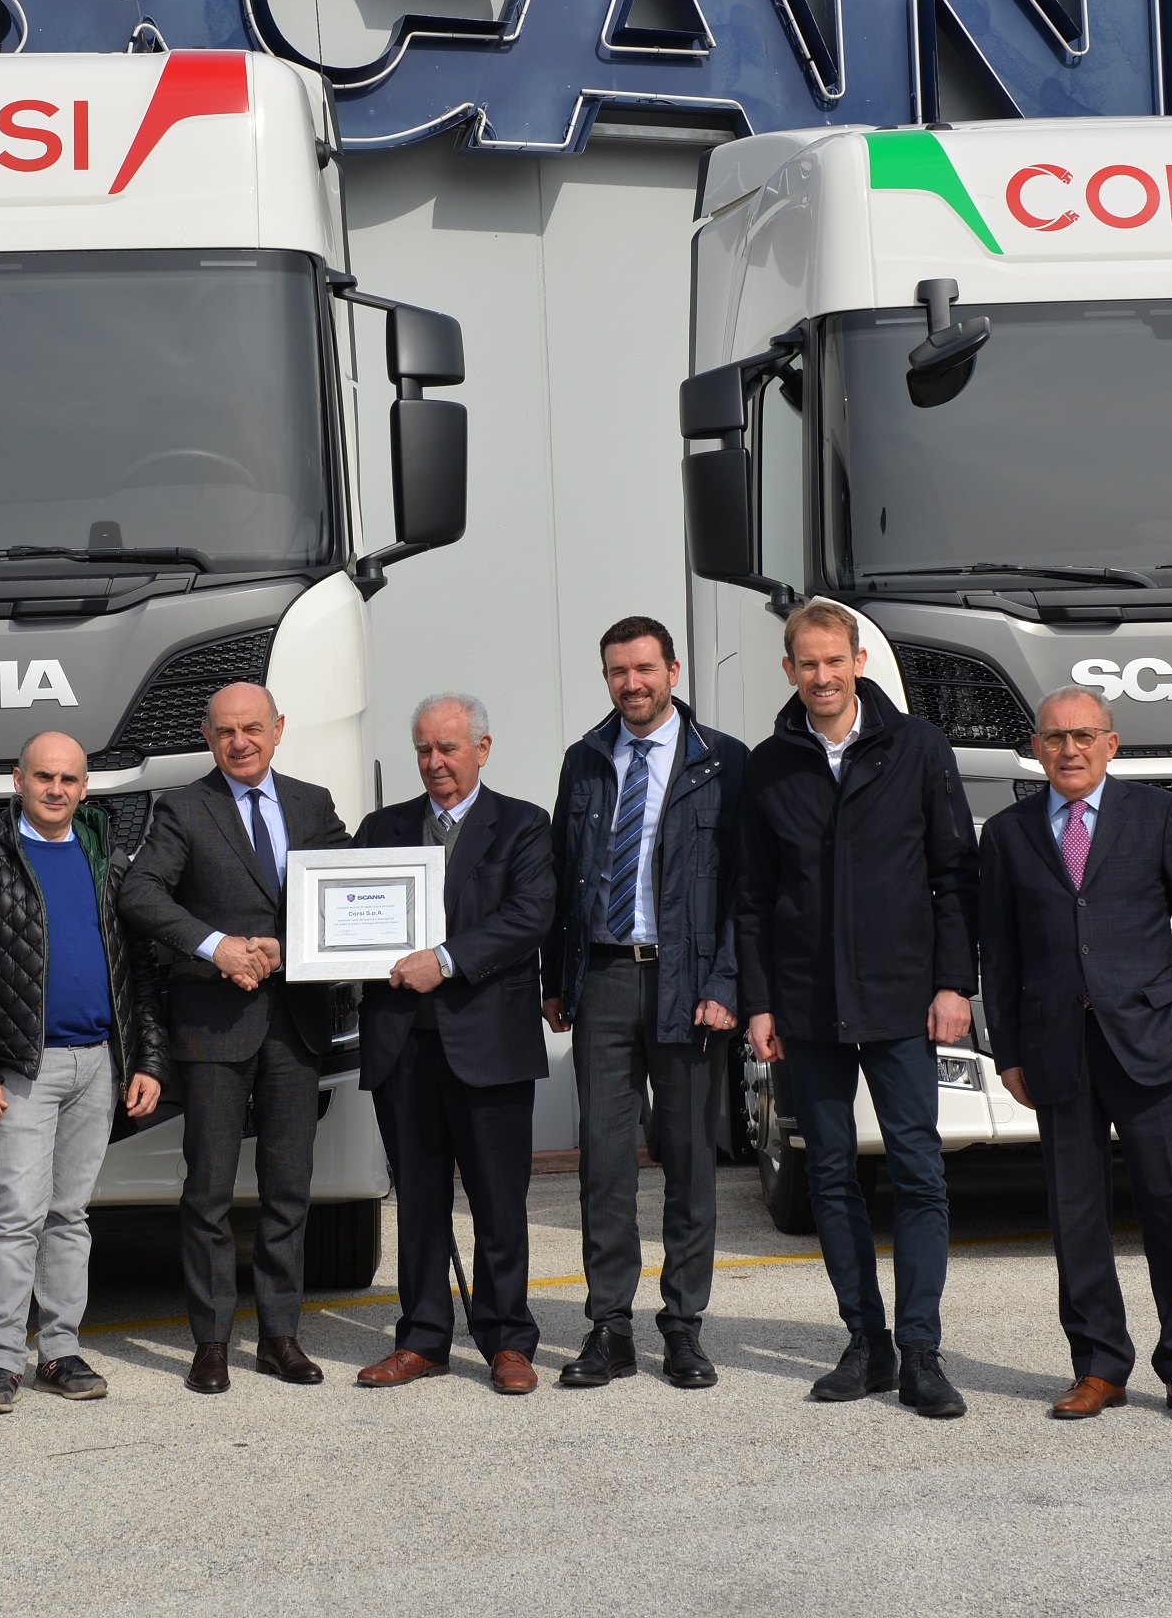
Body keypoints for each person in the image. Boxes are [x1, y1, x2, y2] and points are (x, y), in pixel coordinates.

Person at [737, 598, 979, 1417]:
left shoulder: (918, 748)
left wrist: (953, 984)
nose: (823, 676)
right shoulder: (770, 767)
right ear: (790, 669)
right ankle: (866, 1345)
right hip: (807, 1007)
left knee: (917, 1170)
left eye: (834, 661)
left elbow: (955, 877)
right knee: (831, 1175)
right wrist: (759, 1003)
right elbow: (753, 900)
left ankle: (921, 1352)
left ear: (858, 663)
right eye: (808, 663)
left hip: (903, 1000)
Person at [978, 687, 1172, 1425]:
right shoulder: (1008, 834)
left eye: (1084, 735)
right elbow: (1000, 953)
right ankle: (1098, 1366)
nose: (1070, 750)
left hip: (1154, 1046)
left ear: (1110, 745)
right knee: (1076, 1214)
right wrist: (1009, 1051)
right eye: (1055, 738)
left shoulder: (1159, 816)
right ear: (1036, 749)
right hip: (1057, 1051)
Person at [116, 681, 353, 1394]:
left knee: (289, 1191)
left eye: (252, 728)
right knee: (209, 1193)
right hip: (214, 1026)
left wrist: (290, 945)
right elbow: (140, 894)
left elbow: (346, 888)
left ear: (278, 729)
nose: (240, 742)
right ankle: (211, 1341)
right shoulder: (184, 807)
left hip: (295, 1024)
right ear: (207, 736)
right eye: (225, 732)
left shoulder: (312, 804)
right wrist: (215, 945)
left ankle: (280, 1336)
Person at [0, 731, 169, 1415]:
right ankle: (2, 1359)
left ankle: (60, 1350)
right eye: (44, 777)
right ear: (19, 780)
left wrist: (147, 1060)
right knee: (17, 1216)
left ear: (85, 788)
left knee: (69, 1216)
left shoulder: (108, 860)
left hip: (98, 1064)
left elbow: (140, 972)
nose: (56, 789)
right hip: (21, 1068)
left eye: (68, 779)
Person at [544, 615, 746, 1391]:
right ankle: (609, 1329)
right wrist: (555, 978)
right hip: (603, 978)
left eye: (644, 669)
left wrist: (726, 984)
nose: (631, 684)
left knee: (690, 1160)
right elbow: (563, 872)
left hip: (687, 983)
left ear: (674, 671)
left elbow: (744, 889)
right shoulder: (585, 759)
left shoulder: (723, 761)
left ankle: (684, 1329)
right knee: (604, 1165)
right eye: (617, 672)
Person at [351, 695, 555, 1395]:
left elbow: (529, 916)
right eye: (423, 750)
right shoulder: (381, 829)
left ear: (482, 749)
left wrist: (442, 960)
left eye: (448, 748)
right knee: (418, 1204)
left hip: (490, 1047)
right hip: (403, 1047)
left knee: (498, 1204)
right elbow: (345, 913)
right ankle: (422, 1339)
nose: (435, 762)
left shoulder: (523, 825)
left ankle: (508, 1341)